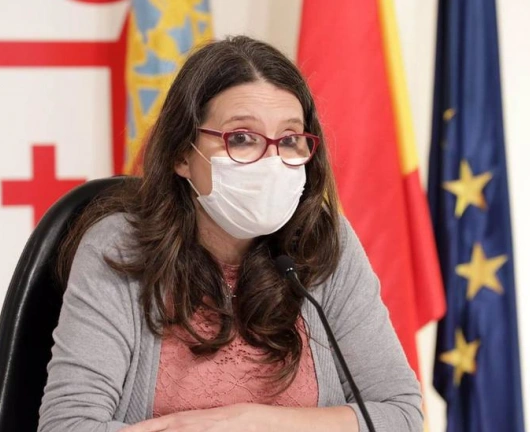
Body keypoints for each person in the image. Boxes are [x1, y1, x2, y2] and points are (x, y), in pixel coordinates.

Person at [38, 35, 422, 432]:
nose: (271, 161)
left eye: (290, 139)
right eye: (241, 138)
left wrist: (255, 423)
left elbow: (400, 415)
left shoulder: (322, 241)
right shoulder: (120, 246)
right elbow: (68, 426)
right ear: (182, 154)